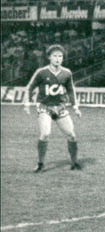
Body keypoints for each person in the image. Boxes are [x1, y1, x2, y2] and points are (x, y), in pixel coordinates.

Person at [23, 44, 82, 172]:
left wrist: (75, 107)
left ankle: (74, 163)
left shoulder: (67, 73)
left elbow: (71, 90)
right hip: (45, 107)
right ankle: (40, 164)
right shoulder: (42, 72)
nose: (57, 58)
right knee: (45, 134)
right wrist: (27, 104)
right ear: (49, 57)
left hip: (60, 107)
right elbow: (30, 87)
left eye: (60, 56)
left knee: (72, 135)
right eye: (55, 56)